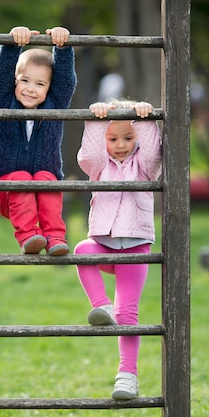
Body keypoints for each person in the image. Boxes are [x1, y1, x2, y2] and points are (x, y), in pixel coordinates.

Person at [74, 99, 162, 400]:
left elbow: (153, 150)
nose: (121, 145)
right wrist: (98, 119)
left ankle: (128, 375)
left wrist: (143, 119)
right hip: (104, 242)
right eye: (113, 138)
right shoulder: (99, 168)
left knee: (128, 314)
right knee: (82, 251)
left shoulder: (146, 168)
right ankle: (101, 305)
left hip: (136, 247)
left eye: (128, 138)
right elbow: (90, 153)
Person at [0, 25, 77, 255]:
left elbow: (66, 82)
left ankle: (54, 237)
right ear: (15, 80)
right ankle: (29, 237)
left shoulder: (55, 107)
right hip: (4, 189)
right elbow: (0, 75)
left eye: (40, 84)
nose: (30, 89)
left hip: (41, 193)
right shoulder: (5, 102)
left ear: (49, 88)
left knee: (47, 177)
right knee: (22, 177)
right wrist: (13, 44)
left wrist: (63, 48)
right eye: (25, 81)